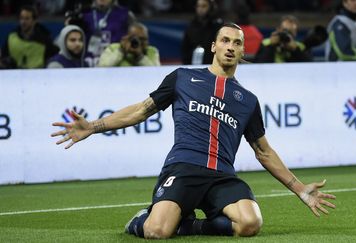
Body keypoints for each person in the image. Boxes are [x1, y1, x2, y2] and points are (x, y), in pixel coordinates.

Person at [51, 23, 336, 239]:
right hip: (184, 168)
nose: (230, 46)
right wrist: (93, 126)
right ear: (213, 46)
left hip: (222, 177)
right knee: (156, 231)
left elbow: (263, 151)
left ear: (241, 51)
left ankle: (188, 225)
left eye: (236, 43)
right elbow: (141, 110)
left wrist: (300, 189)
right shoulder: (183, 78)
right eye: (225, 40)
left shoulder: (248, 100)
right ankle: (141, 219)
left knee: (251, 223)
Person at [66, 0, 136, 67]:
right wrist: (68, 27)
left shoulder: (126, 15)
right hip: (87, 65)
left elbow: (134, 41)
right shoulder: (82, 14)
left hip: (116, 64)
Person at [181, 0, 223, 65]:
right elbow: (185, 47)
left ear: (211, 7)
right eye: (198, 6)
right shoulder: (192, 25)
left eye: (204, 6)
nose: (200, 9)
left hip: (213, 65)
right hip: (193, 66)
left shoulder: (218, 26)